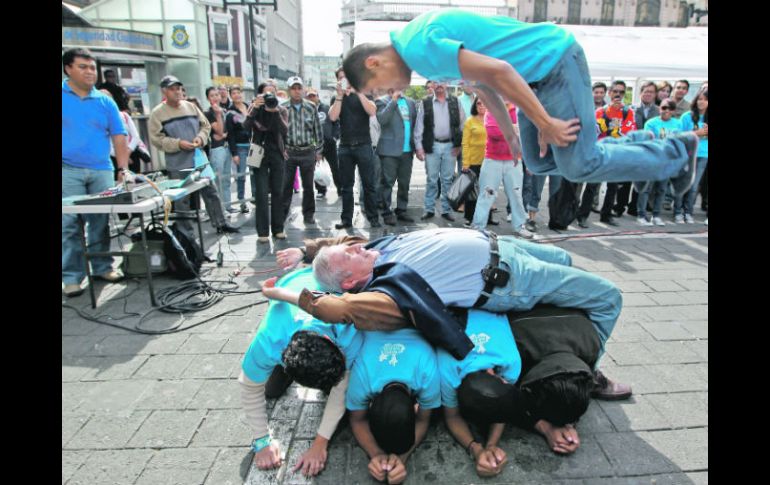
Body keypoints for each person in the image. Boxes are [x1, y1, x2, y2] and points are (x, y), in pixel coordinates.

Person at [340, 9, 700, 197]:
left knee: (579, 165)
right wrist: (514, 134)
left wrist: (543, 121)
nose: (386, 93)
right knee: (538, 161)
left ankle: (676, 153)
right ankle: (641, 150)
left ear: (375, 63)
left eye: (376, 88)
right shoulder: (416, 48)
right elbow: (485, 86)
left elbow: (501, 70)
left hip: (556, 61)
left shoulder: (421, 48)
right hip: (536, 77)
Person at [264, 228, 624, 379]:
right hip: (513, 277)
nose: (358, 245)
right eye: (351, 252)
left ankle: (567, 343)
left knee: (563, 257)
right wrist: (289, 295)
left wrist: (307, 251)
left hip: (506, 244)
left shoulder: (374, 250)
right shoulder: (382, 292)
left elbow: (341, 238)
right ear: (349, 282)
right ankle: (591, 372)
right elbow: (339, 310)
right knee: (608, 296)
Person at [239, 267, 364, 477]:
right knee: (270, 390)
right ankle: (285, 377)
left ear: (332, 342)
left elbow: (340, 390)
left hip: (319, 278)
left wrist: (320, 442)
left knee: (341, 392)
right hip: (289, 293)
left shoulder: (349, 328)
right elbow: (249, 388)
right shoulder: (268, 341)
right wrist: (261, 442)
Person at [62, 48, 129, 297]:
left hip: (101, 168)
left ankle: (102, 267)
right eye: (83, 67)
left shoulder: (104, 100)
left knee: (100, 222)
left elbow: (119, 136)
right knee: (69, 225)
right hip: (68, 170)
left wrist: (123, 169)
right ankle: (71, 276)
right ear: (68, 68)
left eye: (92, 67)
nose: (90, 72)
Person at [346, 327, 440, 484]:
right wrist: (375, 453)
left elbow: (424, 420)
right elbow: (357, 420)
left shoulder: (427, 370)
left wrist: (402, 457)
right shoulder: (362, 374)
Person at [148, 75, 239, 236]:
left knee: (211, 192)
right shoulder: (158, 113)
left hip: (199, 158)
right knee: (181, 200)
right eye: (172, 89)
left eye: (178, 88)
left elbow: (205, 126)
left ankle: (221, 222)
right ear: (164, 91)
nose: (176, 92)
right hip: (177, 163)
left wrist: (201, 138)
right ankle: (186, 233)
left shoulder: (190, 106)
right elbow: (156, 139)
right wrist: (177, 143)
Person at [576, 81, 637, 228]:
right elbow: (595, 131)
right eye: (615, 91)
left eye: (621, 92)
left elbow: (628, 132)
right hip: (600, 153)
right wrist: (611, 126)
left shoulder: (628, 112)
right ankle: (583, 216)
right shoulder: (600, 111)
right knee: (591, 186)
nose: (618, 95)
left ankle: (606, 215)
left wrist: (609, 129)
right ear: (609, 93)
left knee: (612, 187)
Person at [329, 68, 382, 229]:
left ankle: (373, 218)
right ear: (338, 81)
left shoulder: (364, 93)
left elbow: (372, 111)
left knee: (369, 184)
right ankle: (346, 219)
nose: (345, 80)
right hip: (345, 146)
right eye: (341, 78)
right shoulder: (336, 97)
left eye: (347, 77)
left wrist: (358, 91)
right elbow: (332, 117)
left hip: (364, 145)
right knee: (346, 186)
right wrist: (339, 95)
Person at [471, 100, 531, 238]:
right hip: (492, 160)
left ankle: (519, 225)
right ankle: (478, 227)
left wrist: (506, 127)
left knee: (516, 195)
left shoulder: (518, 111)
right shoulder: (492, 110)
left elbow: (526, 131)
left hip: (514, 161)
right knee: (487, 194)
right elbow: (493, 132)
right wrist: (514, 128)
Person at [413, 81, 466, 222]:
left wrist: (459, 144)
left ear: (447, 84)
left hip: (450, 146)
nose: (439, 85)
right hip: (433, 145)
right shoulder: (426, 103)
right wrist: (419, 147)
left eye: (442, 81)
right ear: (432, 86)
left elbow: (462, 124)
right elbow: (419, 126)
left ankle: (446, 210)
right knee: (431, 179)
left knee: (447, 180)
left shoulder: (455, 101)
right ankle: (429, 209)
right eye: (436, 82)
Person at [244, 81, 289, 242]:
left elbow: (285, 131)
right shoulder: (254, 109)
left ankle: (278, 228)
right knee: (261, 193)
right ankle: (262, 232)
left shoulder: (281, 109)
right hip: (258, 152)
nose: (270, 96)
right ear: (259, 95)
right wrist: (255, 108)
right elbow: (246, 127)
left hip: (276, 152)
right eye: (266, 93)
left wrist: (275, 112)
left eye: (273, 92)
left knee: (278, 191)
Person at [282, 76, 324, 226]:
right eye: (293, 88)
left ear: (303, 89)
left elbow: (317, 130)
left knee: (308, 186)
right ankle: (283, 214)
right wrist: (282, 149)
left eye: (299, 88)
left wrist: (319, 151)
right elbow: (278, 132)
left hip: (307, 151)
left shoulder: (311, 107)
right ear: (289, 90)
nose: (297, 91)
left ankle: (309, 214)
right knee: (286, 186)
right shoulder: (282, 107)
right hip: (289, 153)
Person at [375, 88, 418, 226]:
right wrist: (393, 101)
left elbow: (415, 125)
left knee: (404, 183)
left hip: (407, 150)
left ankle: (401, 209)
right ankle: (386, 212)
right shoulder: (382, 101)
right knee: (387, 183)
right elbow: (382, 119)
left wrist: (417, 147)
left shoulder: (410, 102)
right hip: (389, 151)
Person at [637, 98, 682, 226]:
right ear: (659, 108)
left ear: (673, 111)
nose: (666, 111)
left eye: (670, 108)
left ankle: (656, 215)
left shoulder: (678, 124)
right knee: (646, 188)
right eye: (663, 108)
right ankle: (641, 215)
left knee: (661, 189)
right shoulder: (651, 123)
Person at [675, 89, 708, 224]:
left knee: (694, 186)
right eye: (699, 99)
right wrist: (697, 133)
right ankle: (677, 212)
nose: (702, 102)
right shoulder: (687, 116)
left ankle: (688, 212)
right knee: (682, 184)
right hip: (687, 154)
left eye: (705, 99)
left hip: (703, 155)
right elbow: (679, 135)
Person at [98, 88, 148, 176]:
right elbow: (105, 143)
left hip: (132, 154)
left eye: (108, 98)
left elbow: (135, 137)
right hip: (113, 158)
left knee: (135, 182)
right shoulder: (99, 120)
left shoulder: (124, 116)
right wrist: (122, 157)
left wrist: (127, 153)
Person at [460, 96, 493, 227]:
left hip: (489, 160)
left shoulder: (492, 119)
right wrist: (465, 162)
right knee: (472, 192)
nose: (482, 106)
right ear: (475, 105)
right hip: (473, 161)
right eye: (479, 103)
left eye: (485, 103)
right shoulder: (470, 121)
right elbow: (465, 143)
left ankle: (488, 217)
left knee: (488, 190)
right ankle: (469, 217)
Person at [307, 88, 341, 198]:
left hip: (329, 144)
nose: (312, 98)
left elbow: (336, 123)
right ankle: (321, 190)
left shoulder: (326, 108)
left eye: (313, 96)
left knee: (335, 168)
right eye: (309, 96)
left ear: (317, 96)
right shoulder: (306, 110)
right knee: (315, 169)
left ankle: (340, 189)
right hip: (314, 145)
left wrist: (335, 137)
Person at [204, 87, 233, 214]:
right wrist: (218, 115)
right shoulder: (209, 113)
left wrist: (224, 134)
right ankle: (218, 209)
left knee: (226, 179)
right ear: (208, 98)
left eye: (217, 95)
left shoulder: (225, 110)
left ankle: (227, 205)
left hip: (227, 147)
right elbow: (220, 131)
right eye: (212, 95)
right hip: (217, 149)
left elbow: (228, 131)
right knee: (218, 180)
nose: (215, 97)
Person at [225, 86, 253, 214]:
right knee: (241, 175)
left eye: (238, 92)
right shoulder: (230, 112)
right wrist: (234, 152)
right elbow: (230, 134)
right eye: (234, 93)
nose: (237, 95)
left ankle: (256, 198)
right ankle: (242, 201)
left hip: (253, 145)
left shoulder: (249, 107)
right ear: (231, 96)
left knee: (255, 173)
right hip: (240, 147)